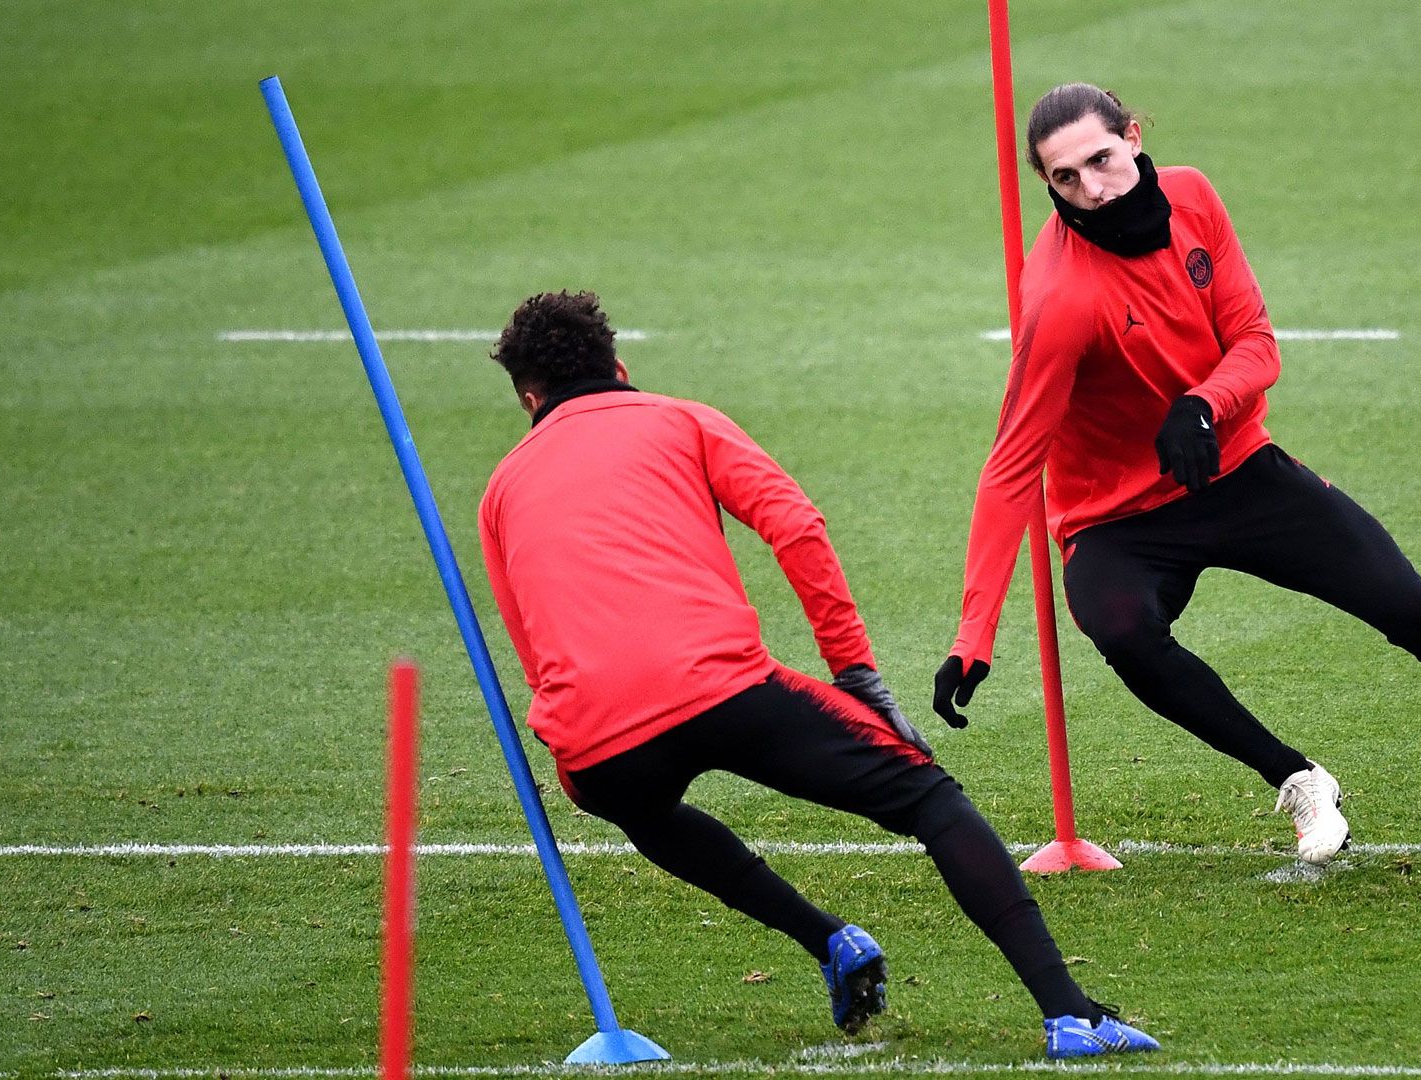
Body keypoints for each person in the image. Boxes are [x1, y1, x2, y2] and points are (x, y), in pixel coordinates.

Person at [931, 84, 1421, 870]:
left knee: (1419, 613)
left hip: (1237, 470)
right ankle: (1299, 779)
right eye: (1064, 179)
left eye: (1100, 160)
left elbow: (1255, 340)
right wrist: (975, 633)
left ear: (1134, 138)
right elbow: (1009, 468)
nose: (1091, 189)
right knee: (1123, 630)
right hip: (1117, 518)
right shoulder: (1060, 300)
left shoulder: (1195, 197)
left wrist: (1205, 404)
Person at [478, 290, 1159, 1059]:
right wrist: (856, 674)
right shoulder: (682, 419)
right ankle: (1070, 1014)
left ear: (530, 398)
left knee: (643, 812)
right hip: (730, 691)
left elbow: (532, 646)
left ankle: (827, 940)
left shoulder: (500, 490)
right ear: (621, 367)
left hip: (599, 748)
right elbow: (795, 525)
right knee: (932, 801)